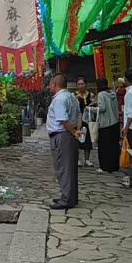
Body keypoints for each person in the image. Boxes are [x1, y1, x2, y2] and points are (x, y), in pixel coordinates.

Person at [47, 73, 81, 209]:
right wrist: (76, 130)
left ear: (54, 84)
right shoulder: (72, 97)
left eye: (50, 83)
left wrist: (73, 132)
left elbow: (63, 120)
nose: (49, 86)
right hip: (69, 135)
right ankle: (71, 196)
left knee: (63, 168)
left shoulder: (59, 99)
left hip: (62, 136)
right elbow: (79, 115)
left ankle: (66, 199)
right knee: (70, 167)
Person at [94, 77, 120, 174]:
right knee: (113, 146)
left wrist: (90, 109)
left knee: (104, 147)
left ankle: (105, 166)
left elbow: (102, 108)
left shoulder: (101, 94)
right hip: (115, 123)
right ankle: (114, 166)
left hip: (105, 124)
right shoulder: (112, 93)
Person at [74, 77, 95, 167]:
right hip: (77, 120)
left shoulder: (91, 95)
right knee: (77, 139)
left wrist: (93, 104)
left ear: (85, 84)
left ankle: (87, 159)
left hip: (87, 120)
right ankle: (77, 159)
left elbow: (94, 106)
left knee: (87, 139)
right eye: (79, 84)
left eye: (82, 84)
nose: (81, 86)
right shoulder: (73, 95)